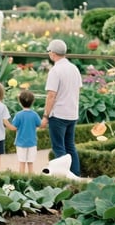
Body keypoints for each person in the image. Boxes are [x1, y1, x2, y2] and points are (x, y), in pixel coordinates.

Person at [39, 38, 83, 176]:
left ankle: (64, 179)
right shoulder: (74, 68)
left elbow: (51, 95)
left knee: (59, 148)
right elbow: (78, 90)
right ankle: (76, 176)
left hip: (58, 115)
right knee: (70, 146)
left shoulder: (55, 71)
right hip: (72, 113)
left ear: (52, 53)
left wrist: (45, 116)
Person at [12, 89, 42, 174]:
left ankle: (21, 180)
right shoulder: (34, 115)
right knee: (30, 163)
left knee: (22, 163)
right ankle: (31, 180)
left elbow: (14, 127)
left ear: (20, 102)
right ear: (33, 101)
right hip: (32, 142)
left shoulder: (18, 115)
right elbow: (39, 125)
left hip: (20, 143)